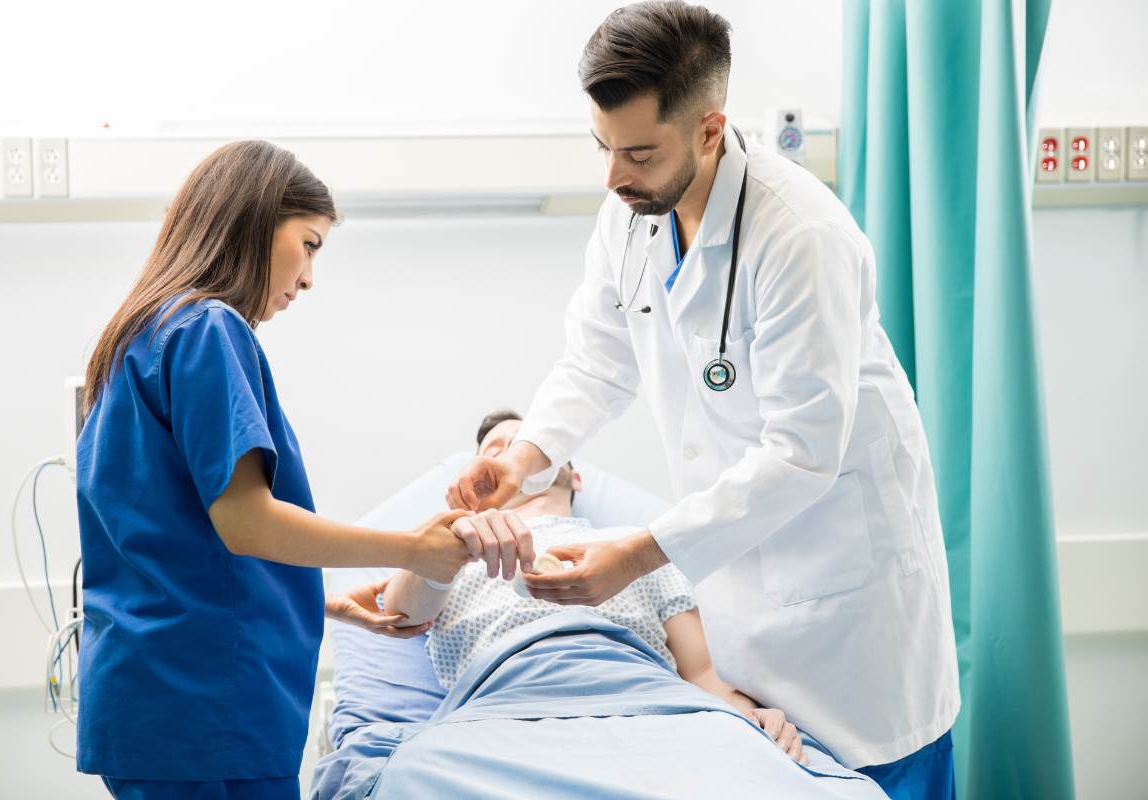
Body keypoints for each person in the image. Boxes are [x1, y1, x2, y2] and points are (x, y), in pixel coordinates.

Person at [447, 3, 959, 796]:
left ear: (710, 131)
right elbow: (596, 358)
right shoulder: (632, 216)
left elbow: (802, 454)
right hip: (739, 604)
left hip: (849, 615)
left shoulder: (801, 237)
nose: (613, 177)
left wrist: (636, 555)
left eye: (639, 153)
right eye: (604, 148)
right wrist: (525, 457)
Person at [75, 140, 472, 800]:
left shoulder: (137, 337)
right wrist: (414, 549)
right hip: (209, 708)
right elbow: (246, 521)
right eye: (308, 244)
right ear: (256, 220)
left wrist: (319, 602)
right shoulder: (209, 329)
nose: (309, 278)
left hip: (157, 694)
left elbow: (172, 541)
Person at [389, 409, 808, 765]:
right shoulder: (452, 549)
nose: (511, 457)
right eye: (495, 451)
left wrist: (745, 712)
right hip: (503, 704)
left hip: (644, 701)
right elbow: (403, 615)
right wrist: (455, 537)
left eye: (527, 447)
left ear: (575, 477)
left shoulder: (639, 546)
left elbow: (700, 669)